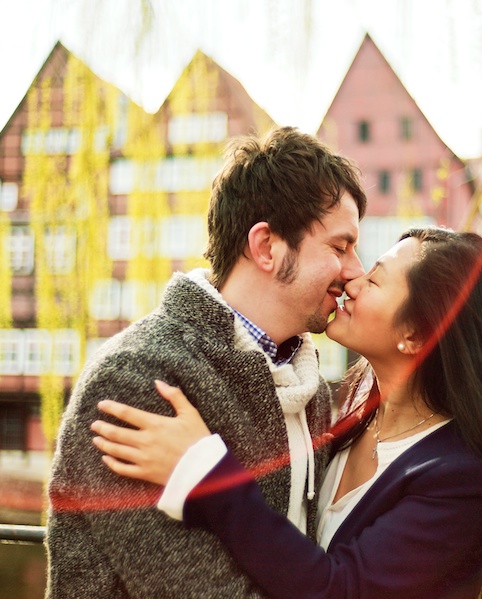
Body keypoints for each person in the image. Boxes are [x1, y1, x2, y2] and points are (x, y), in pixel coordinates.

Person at [92, 227, 482, 598]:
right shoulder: (341, 414)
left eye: (375, 279)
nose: (353, 280)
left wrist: (209, 475)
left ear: (417, 335)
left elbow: (340, 590)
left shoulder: (462, 478)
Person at [45, 126, 367, 598]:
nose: (356, 269)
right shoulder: (138, 378)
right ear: (266, 248)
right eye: (340, 247)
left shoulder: (311, 392)